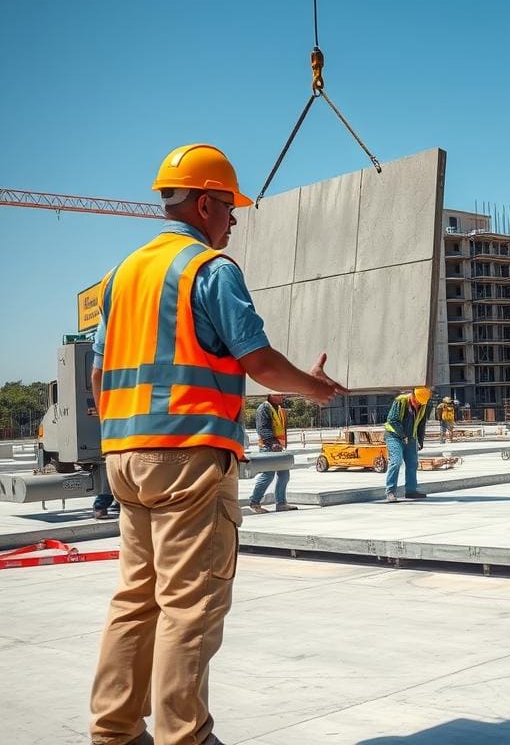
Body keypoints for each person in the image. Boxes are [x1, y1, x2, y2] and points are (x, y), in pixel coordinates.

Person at [89, 143, 346, 745]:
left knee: (136, 599)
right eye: (230, 208)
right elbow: (258, 361)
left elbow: (98, 374)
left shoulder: (123, 274)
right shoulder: (209, 269)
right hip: (187, 456)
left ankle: (115, 732)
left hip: (124, 458)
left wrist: (122, 436)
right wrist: (314, 388)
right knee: (190, 603)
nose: (234, 220)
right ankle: (186, 736)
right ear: (205, 203)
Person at [249, 393, 297, 513]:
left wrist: (279, 445)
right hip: (268, 447)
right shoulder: (264, 408)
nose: (283, 396)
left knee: (284, 475)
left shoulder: (279, 409)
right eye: (279, 394)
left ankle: (281, 503)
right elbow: (262, 429)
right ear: (270, 395)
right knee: (268, 475)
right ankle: (255, 502)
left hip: (278, 448)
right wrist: (273, 443)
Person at [384, 386, 431, 502]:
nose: (417, 404)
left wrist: (420, 440)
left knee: (412, 463)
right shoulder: (400, 401)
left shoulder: (423, 404)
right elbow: (392, 420)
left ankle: (411, 491)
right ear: (412, 395)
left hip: (411, 437)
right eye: (416, 401)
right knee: (396, 461)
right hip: (394, 435)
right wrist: (403, 436)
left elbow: (421, 423)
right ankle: (390, 492)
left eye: (420, 403)